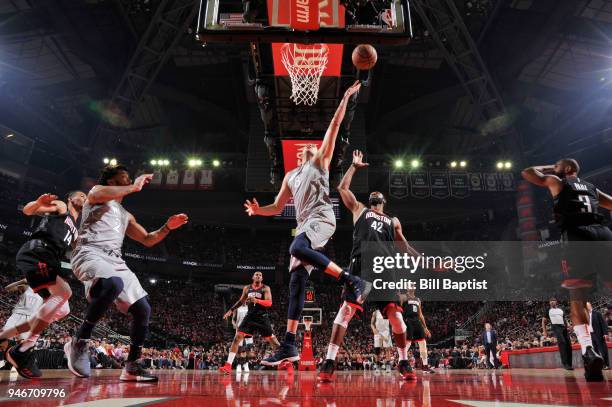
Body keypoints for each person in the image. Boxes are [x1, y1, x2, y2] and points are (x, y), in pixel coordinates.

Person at [244, 82, 372, 366]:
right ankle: (289, 345)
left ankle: (351, 279)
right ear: (300, 153)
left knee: (297, 246)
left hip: (322, 218)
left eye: (316, 145)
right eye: (310, 146)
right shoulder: (290, 175)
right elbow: (277, 207)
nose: (313, 146)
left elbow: (335, 125)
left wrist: (346, 98)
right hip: (305, 224)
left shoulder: (321, 163)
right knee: (296, 281)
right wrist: (257, 210)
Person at [64, 164, 188, 382]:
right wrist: (135, 185)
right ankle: (80, 340)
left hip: (115, 259)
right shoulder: (97, 194)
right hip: (90, 252)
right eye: (125, 177)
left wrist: (167, 227)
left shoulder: (125, 215)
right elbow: (100, 192)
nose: (129, 179)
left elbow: (148, 239)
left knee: (143, 308)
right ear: (111, 182)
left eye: (130, 178)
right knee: (112, 284)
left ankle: (131, 365)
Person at [317, 150, 420, 382]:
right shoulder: (360, 210)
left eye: (378, 195)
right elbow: (343, 189)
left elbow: (404, 247)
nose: (374, 195)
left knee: (397, 318)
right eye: (372, 194)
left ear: (383, 202)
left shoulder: (393, 221)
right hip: (361, 267)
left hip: (385, 270)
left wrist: (427, 262)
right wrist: (353, 167)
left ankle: (403, 361)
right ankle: (330, 361)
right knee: (345, 311)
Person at [522, 158, 611, 381]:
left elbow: (528, 172)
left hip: (576, 235)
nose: (555, 166)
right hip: (603, 234)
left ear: (567, 169)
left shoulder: (557, 181)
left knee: (577, 298)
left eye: (559, 164)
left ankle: (588, 350)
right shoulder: (591, 188)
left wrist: (552, 168)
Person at [0, 191, 85, 379]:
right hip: (37, 251)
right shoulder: (63, 207)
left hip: (49, 261)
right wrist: (38, 201)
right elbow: (29, 211)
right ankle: (23, 348)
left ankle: (6, 335)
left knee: (63, 310)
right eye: (81, 195)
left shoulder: (76, 230)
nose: (85, 198)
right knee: (64, 291)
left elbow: (79, 252)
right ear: (71, 199)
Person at [219, 271, 280, 374]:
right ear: (253, 277)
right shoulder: (247, 288)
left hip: (262, 317)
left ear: (262, 278)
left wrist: (257, 300)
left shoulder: (265, 288)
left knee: (272, 340)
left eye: (260, 275)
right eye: (256, 274)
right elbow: (241, 301)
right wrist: (231, 310)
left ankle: (286, 362)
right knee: (237, 338)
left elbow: (269, 303)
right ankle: (228, 366)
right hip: (250, 317)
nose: (258, 276)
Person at [401, 288, 435, 374]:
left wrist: (425, 327)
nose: (412, 286)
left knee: (423, 343)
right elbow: (399, 311)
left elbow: (420, 314)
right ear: (407, 288)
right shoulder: (403, 297)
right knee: (407, 344)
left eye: (413, 285)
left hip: (417, 321)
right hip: (407, 321)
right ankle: (401, 365)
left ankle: (425, 366)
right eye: (410, 285)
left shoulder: (418, 299)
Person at [542, 297, 572, 370]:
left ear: (556, 302)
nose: (552, 302)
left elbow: (564, 318)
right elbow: (543, 321)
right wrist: (545, 331)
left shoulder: (560, 309)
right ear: (549, 303)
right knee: (562, 343)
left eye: (553, 301)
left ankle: (569, 364)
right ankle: (565, 364)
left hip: (563, 327)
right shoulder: (548, 310)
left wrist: (568, 325)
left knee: (568, 344)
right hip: (556, 327)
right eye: (550, 301)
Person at [587, 302, 609, 370]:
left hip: (599, 334)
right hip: (591, 335)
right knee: (595, 351)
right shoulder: (586, 315)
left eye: (587, 306)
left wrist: (605, 333)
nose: (587, 307)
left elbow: (603, 323)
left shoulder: (597, 313)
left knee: (603, 350)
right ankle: (599, 365)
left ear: (590, 306)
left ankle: (606, 364)